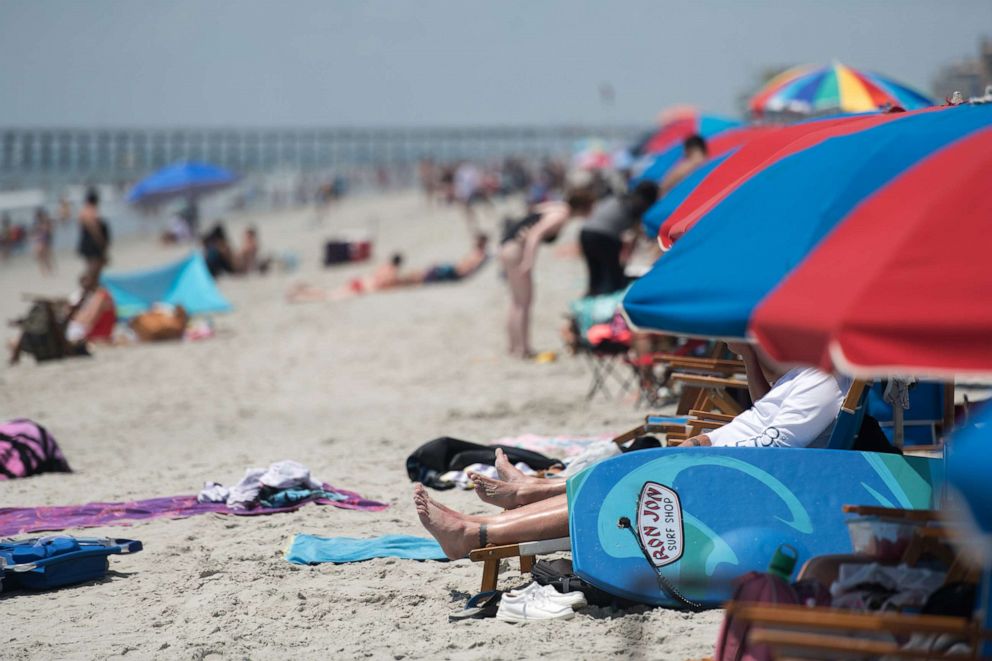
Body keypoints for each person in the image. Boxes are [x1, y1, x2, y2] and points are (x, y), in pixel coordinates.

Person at [415, 343, 847, 559]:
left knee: (622, 483)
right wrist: (748, 361)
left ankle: (479, 533)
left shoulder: (826, 384)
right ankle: (495, 513)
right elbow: (761, 416)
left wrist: (701, 451)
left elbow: (773, 450)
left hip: (739, 480)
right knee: (623, 473)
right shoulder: (812, 372)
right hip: (720, 458)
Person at [499, 188, 596, 358]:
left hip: (507, 246)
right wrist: (529, 261)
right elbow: (535, 235)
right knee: (524, 302)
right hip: (516, 251)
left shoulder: (556, 206)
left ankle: (513, 347)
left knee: (516, 301)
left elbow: (534, 211)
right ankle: (523, 349)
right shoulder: (561, 215)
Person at [286, 236, 490, 302]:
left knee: (328, 293)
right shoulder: (391, 272)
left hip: (362, 281)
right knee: (328, 295)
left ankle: (303, 291)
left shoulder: (385, 266)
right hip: (363, 287)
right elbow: (385, 284)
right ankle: (301, 294)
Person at [578, 181, 659, 296]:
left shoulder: (618, 197)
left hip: (586, 231)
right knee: (614, 275)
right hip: (605, 235)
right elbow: (635, 233)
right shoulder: (639, 203)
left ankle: (588, 301)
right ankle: (607, 304)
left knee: (595, 273)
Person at [77, 188, 111, 275]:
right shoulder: (92, 212)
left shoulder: (83, 211)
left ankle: (90, 285)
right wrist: (102, 242)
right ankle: (90, 285)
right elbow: (94, 230)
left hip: (85, 242)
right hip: (92, 243)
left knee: (90, 266)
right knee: (94, 268)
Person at [32, 207, 55, 275]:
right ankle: (46, 270)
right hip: (42, 240)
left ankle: (46, 270)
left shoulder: (43, 222)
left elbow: (48, 231)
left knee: (43, 257)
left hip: (43, 240)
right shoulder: (42, 222)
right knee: (43, 257)